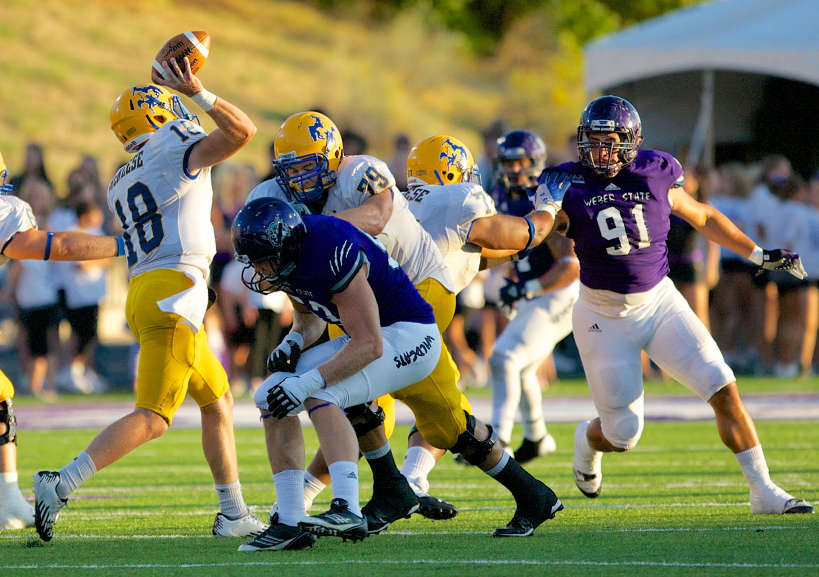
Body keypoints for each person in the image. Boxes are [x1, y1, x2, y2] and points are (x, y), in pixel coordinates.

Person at [247, 113, 563, 538]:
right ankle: (392, 488)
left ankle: (404, 488)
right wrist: (296, 334)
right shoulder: (279, 197)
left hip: (415, 296)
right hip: (358, 300)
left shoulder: (365, 176)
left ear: (334, 157)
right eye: (292, 171)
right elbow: (302, 288)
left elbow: (377, 217)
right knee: (355, 401)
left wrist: (549, 211)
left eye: (309, 167)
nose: (299, 180)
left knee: (437, 419)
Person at [534, 95, 813, 515]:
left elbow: (702, 216)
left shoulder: (656, 170)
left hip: (661, 302)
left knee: (722, 384)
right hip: (603, 317)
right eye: (593, 141)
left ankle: (764, 490)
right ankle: (586, 440)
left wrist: (757, 254)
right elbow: (537, 231)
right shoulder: (563, 181)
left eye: (610, 141)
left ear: (631, 141)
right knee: (623, 434)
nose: (600, 151)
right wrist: (538, 212)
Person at [32, 55, 266, 542]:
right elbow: (243, 132)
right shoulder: (172, 145)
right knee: (154, 417)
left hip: (150, 289)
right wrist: (198, 92)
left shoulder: (121, 177)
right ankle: (61, 481)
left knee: (218, 399)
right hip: (174, 293)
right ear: (157, 115)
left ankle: (233, 512)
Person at [232, 198, 442, 551]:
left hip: (410, 334)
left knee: (319, 391)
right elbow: (309, 315)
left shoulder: (330, 249)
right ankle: (290, 520)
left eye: (263, 259)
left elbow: (369, 344)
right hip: (373, 334)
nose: (258, 269)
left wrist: (310, 380)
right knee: (270, 397)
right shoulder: (291, 255)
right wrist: (294, 339)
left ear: (285, 243)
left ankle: (347, 506)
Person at [0, 151, 126, 529]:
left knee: (2, 396)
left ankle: (7, 500)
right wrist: (123, 245)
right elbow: (59, 248)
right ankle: (6, 500)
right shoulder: (9, 210)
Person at [486, 130, 580, 463]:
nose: (512, 169)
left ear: (536, 162)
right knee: (521, 368)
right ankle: (538, 436)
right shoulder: (503, 195)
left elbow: (571, 266)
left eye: (519, 161)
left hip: (562, 292)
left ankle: (497, 441)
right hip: (537, 290)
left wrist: (527, 288)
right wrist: (514, 280)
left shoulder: (544, 200)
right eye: (507, 162)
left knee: (504, 359)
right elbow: (518, 251)